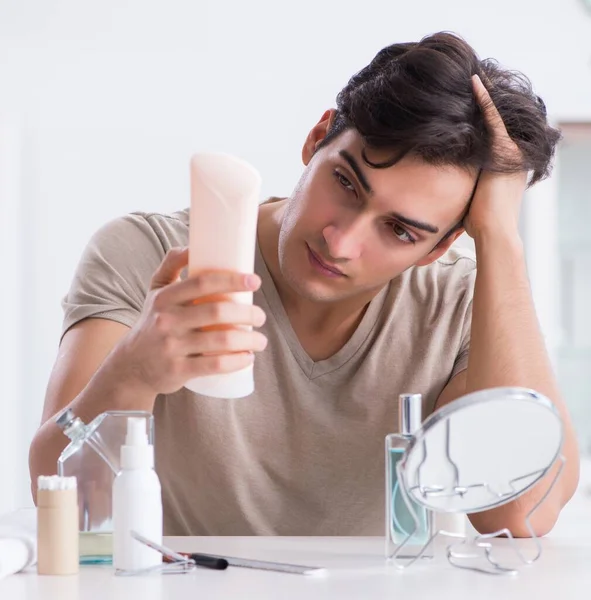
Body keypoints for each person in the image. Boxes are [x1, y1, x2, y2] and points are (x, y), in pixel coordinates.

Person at [29, 31, 579, 537]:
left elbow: (517, 514)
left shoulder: (459, 302)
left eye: (399, 230)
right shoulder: (149, 254)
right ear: (317, 138)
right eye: (345, 182)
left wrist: (500, 240)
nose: (340, 241)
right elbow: (60, 499)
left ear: (438, 247)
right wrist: (134, 370)